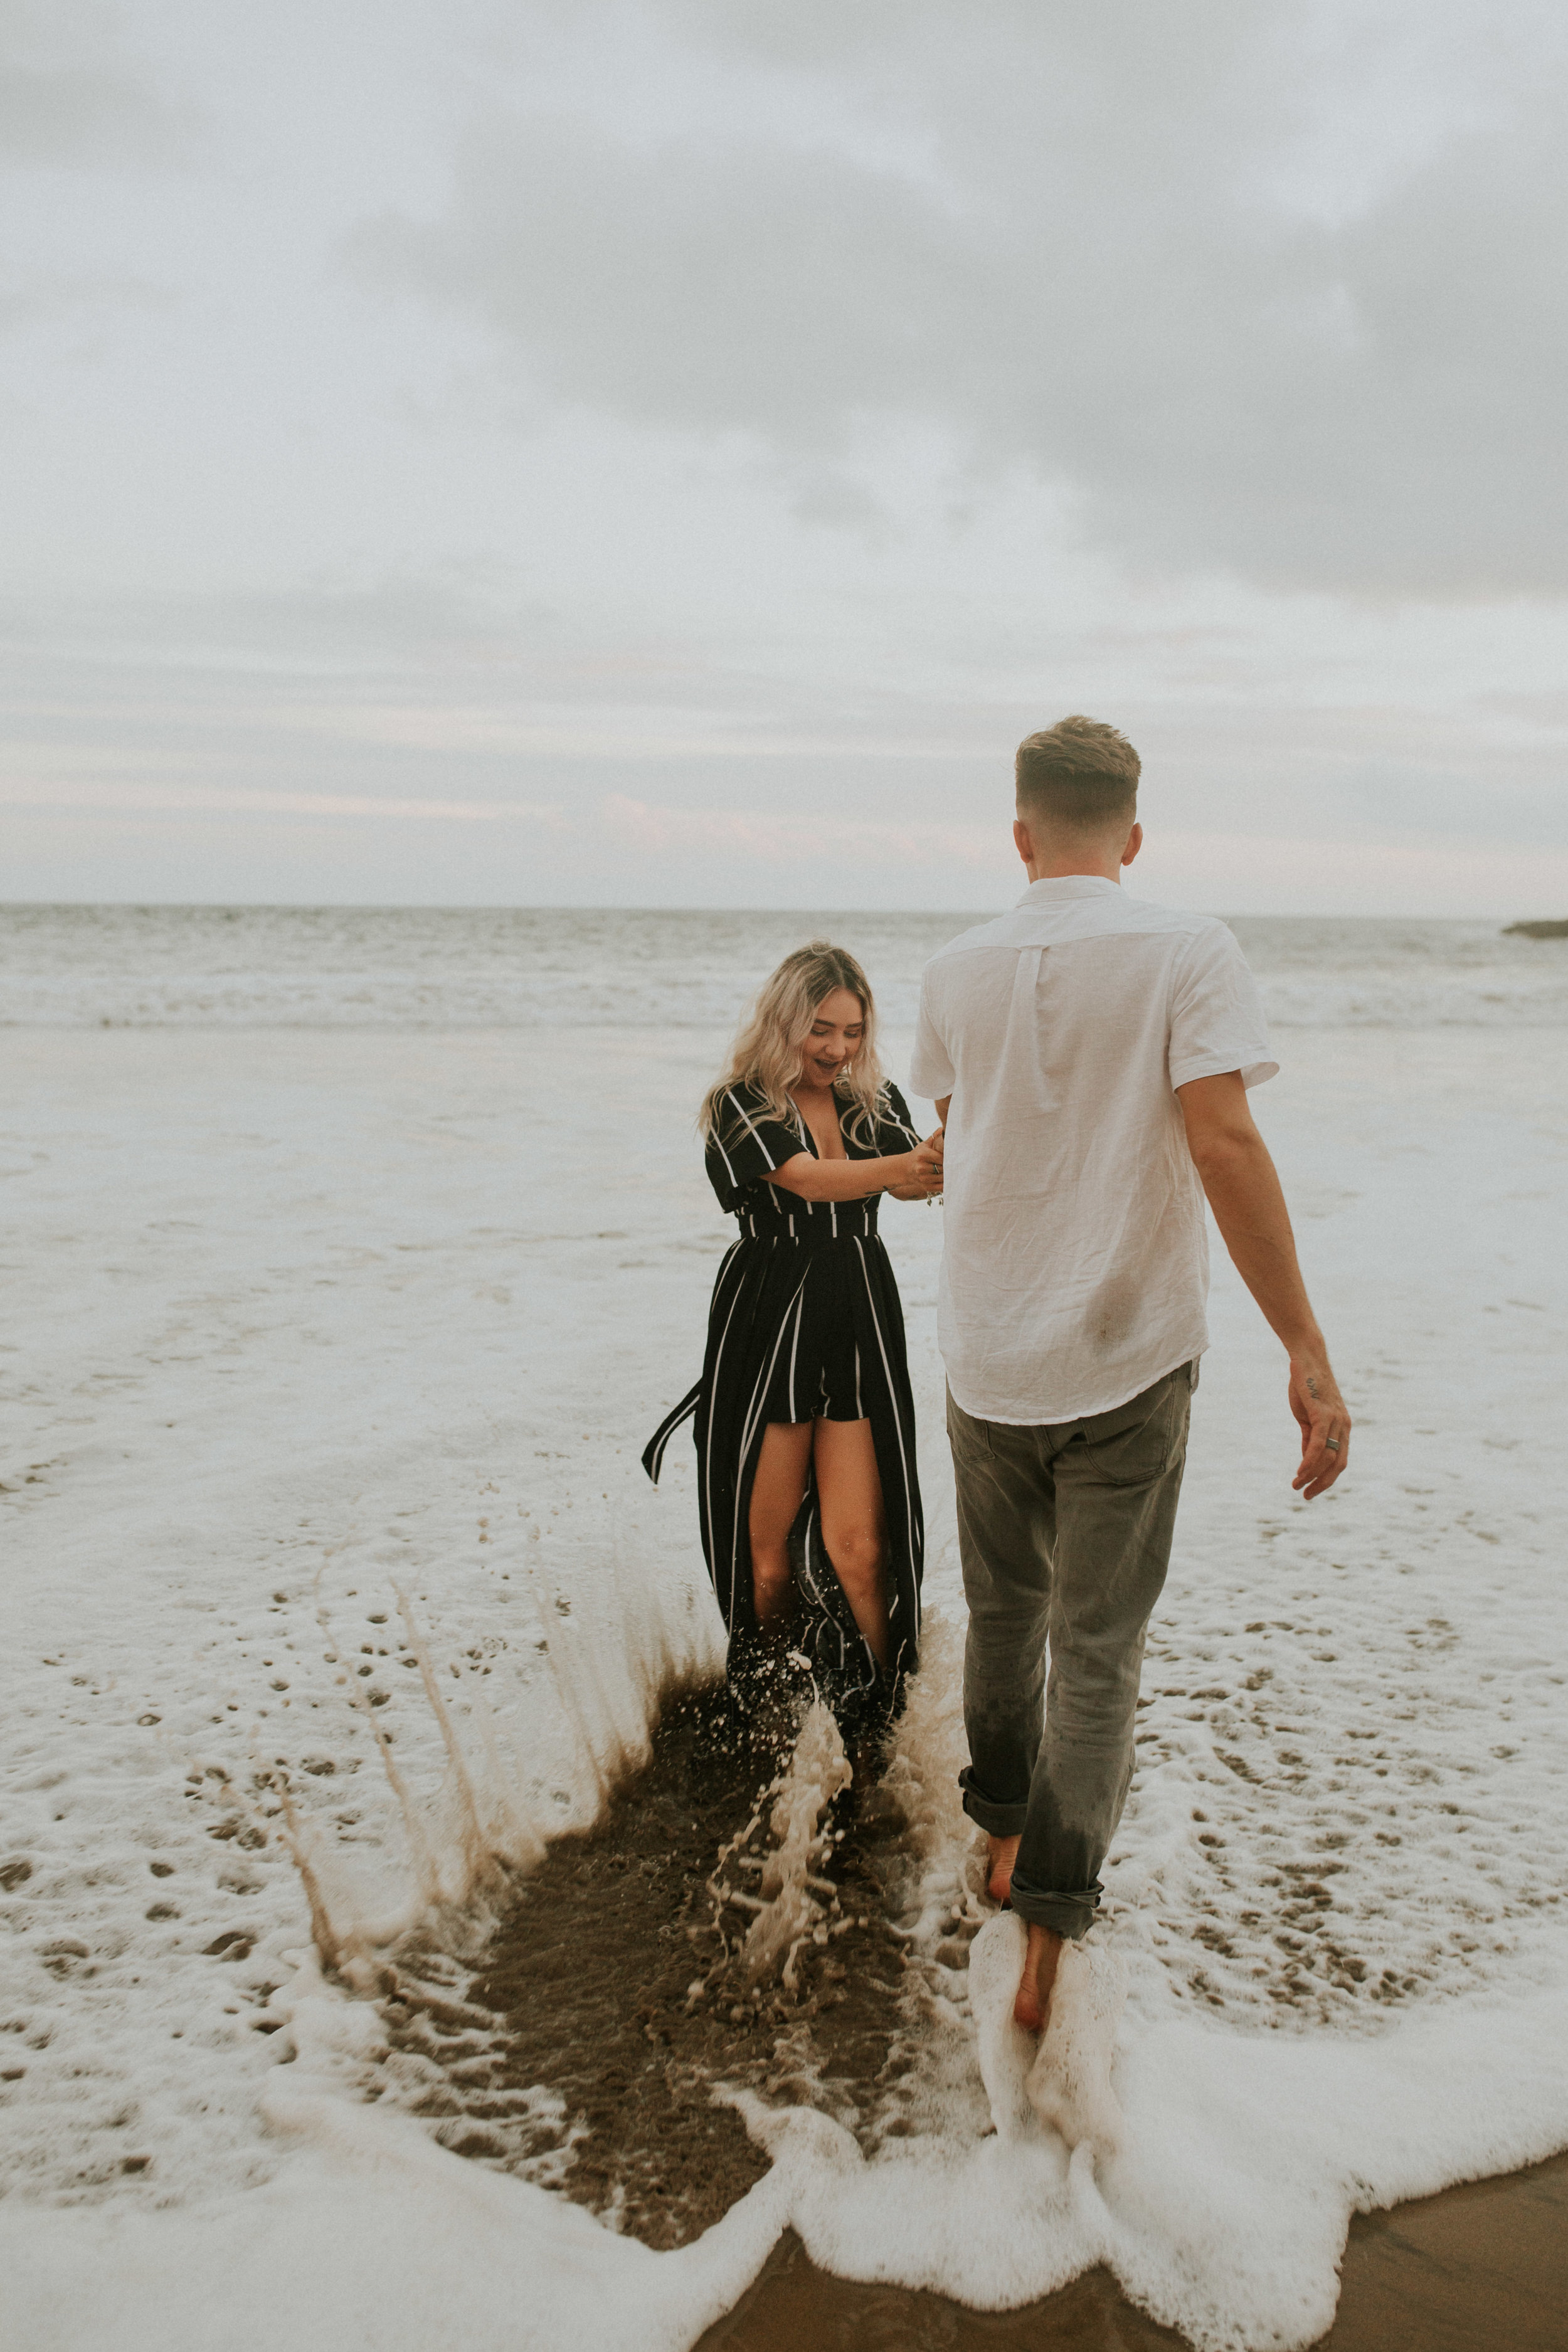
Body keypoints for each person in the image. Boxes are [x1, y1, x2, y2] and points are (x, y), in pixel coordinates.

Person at [909, 716, 1351, 2033]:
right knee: (1094, 1648)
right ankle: (1049, 1932)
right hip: (1126, 1351)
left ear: (1019, 832)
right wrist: (1303, 1347)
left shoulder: (952, 967)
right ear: (1134, 833)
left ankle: (998, 1841)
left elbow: (955, 1133)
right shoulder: (1185, 948)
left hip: (987, 1350)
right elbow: (1219, 1141)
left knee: (1002, 1618)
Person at [644, 942, 945, 1742]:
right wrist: (900, 1169)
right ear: (786, 1021)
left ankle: (885, 1728)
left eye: (852, 1031)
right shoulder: (739, 1103)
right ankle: (771, 1723)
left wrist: (952, 1156)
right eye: (820, 1029)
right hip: (770, 1313)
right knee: (767, 1558)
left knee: (858, 1548)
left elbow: (924, 1178)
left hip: (857, 1313)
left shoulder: (872, 1107)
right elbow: (805, 1178)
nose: (837, 1049)